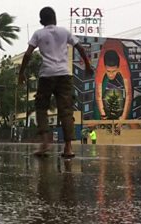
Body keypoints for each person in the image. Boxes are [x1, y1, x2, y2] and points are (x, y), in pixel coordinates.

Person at [18, 7, 93, 158]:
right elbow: (80, 48)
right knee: (65, 110)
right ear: (55, 18)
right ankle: (68, 148)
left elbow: (27, 54)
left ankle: (45, 141)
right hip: (64, 75)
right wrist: (87, 65)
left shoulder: (39, 34)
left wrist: (21, 73)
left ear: (41, 21)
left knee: (41, 107)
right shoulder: (64, 32)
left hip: (46, 75)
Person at [95, 39, 132, 120]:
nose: (111, 75)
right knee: (101, 89)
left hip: (120, 46)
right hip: (106, 44)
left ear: (118, 68)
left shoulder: (123, 66)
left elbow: (129, 94)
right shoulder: (100, 68)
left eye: (114, 71)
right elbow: (98, 95)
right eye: (108, 71)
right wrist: (103, 116)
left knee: (129, 87)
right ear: (105, 67)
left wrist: (123, 117)